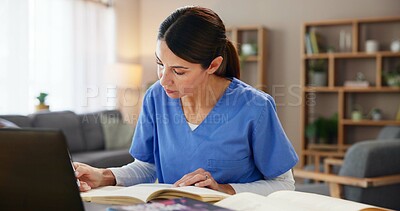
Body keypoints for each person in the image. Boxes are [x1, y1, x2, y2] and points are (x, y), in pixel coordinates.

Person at [75, 5, 298, 196]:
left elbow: (284, 183)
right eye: (160, 64)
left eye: (179, 71)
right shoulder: (156, 97)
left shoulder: (255, 107)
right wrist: (104, 175)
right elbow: (148, 166)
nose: (164, 80)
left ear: (212, 65)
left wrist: (224, 189)